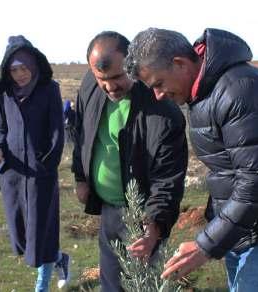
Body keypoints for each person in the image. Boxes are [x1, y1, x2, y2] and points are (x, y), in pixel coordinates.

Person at [125, 28, 258, 292]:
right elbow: (226, 169)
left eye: (158, 84)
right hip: (241, 229)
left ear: (180, 63)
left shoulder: (240, 91)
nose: (158, 95)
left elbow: (254, 183)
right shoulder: (201, 92)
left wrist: (205, 246)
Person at [72, 31, 188, 291]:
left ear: (132, 66)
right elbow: (81, 131)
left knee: (143, 285)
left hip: (144, 217)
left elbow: (167, 180)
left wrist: (153, 228)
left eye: (117, 77)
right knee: (111, 285)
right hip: (108, 212)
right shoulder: (90, 86)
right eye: (102, 79)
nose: (110, 86)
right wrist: (81, 176)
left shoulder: (163, 112)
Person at [0, 35, 69, 292]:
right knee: (21, 235)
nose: (20, 74)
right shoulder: (3, 91)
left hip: (39, 172)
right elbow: (2, 127)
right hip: (13, 171)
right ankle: (60, 258)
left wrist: (48, 163)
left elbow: (57, 130)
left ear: (33, 65)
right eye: (14, 69)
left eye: (24, 67)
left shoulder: (49, 89)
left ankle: (41, 285)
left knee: (41, 232)